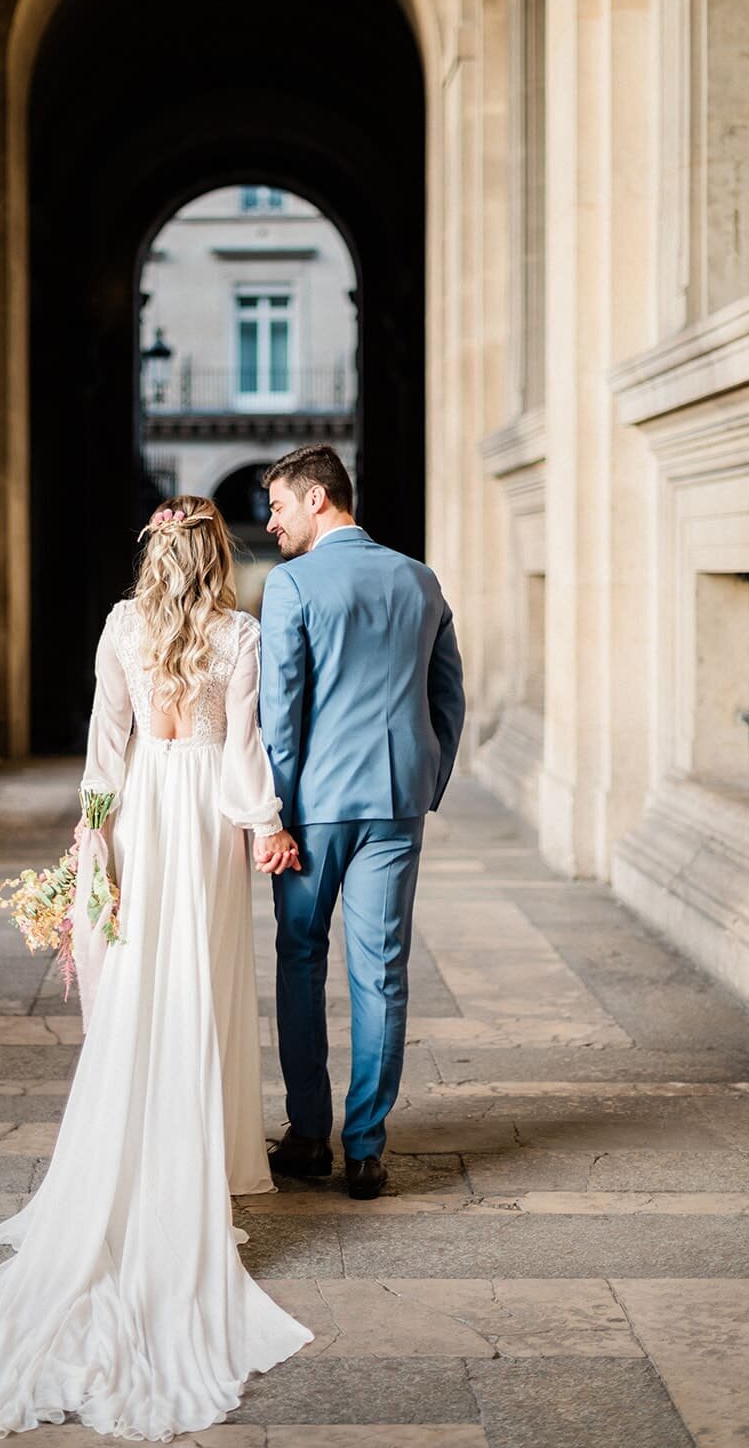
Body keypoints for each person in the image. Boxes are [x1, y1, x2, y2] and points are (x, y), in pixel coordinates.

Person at [0, 495, 313, 1441]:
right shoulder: (237, 633)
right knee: (200, 989)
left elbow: (104, 747)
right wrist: (268, 825)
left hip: (137, 813)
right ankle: (199, 1158)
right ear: (215, 555)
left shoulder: (122, 627)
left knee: (135, 990)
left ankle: (130, 1156)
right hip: (207, 819)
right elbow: (244, 748)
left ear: (153, 554)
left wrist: (93, 841)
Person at [254, 445, 465, 1201]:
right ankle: (367, 1148)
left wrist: (269, 814)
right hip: (395, 800)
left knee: (300, 961)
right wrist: (423, 783)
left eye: (278, 505)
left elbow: (280, 713)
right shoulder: (419, 578)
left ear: (318, 499)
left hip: (311, 808)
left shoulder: (293, 585)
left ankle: (310, 1136)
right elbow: (449, 697)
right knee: (380, 971)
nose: (270, 521)